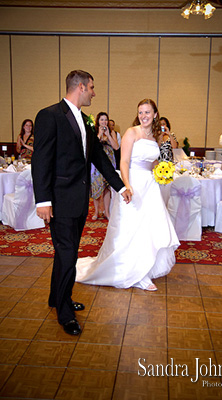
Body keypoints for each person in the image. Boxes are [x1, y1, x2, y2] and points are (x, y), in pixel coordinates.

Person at [31, 70, 131, 336]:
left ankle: (56, 297)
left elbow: (99, 159)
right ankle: (65, 313)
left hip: (79, 202)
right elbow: (40, 161)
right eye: (92, 88)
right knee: (67, 254)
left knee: (68, 253)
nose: (94, 93)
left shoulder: (86, 122)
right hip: (59, 201)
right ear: (81, 87)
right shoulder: (49, 115)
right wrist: (43, 200)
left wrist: (120, 187)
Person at [76, 99, 180, 291]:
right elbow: (123, 162)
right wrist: (126, 185)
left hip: (150, 185)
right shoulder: (132, 132)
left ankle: (145, 270)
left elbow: (158, 158)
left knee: (149, 228)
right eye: (141, 112)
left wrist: (161, 170)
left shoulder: (157, 137)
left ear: (155, 114)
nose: (144, 116)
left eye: (147, 112)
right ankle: (133, 273)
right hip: (132, 182)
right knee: (131, 228)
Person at [90, 112, 119, 220]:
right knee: (97, 186)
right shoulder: (93, 132)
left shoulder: (112, 132)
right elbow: (92, 145)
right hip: (97, 162)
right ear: (98, 121)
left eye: (106, 120)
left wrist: (108, 135)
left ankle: (107, 212)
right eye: (102, 120)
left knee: (107, 187)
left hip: (109, 161)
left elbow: (116, 147)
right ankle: (96, 212)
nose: (104, 122)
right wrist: (100, 134)